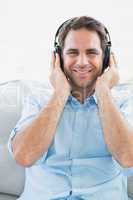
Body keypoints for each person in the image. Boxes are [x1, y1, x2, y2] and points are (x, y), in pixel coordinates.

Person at [8, 16, 133, 200]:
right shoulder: (38, 99)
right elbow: (24, 156)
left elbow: (128, 157)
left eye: (91, 52)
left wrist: (103, 92)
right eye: (73, 52)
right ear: (58, 58)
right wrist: (60, 93)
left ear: (106, 58)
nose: (82, 62)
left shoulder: (124, 101)